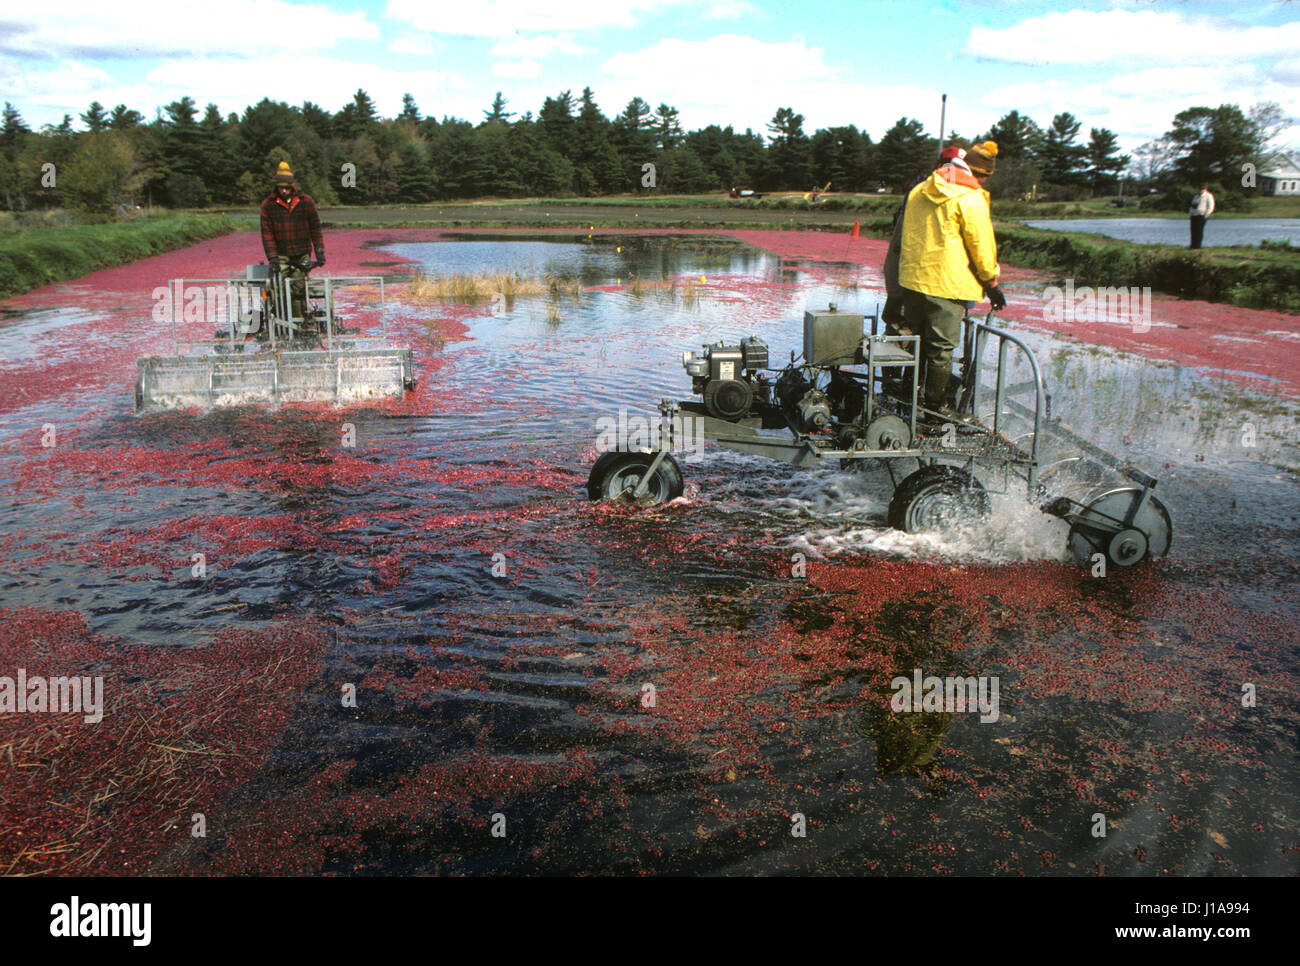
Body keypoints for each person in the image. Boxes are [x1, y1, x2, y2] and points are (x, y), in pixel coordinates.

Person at [897, 140, 1006, 422]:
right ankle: (935, 412)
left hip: (912, 280)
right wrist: (991, 284)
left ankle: (907, 402)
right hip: (947, 285)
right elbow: (981, 248)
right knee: (941, 350)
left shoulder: (920, 190)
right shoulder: (971, 198)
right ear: (980, 173)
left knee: (917, 343)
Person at [260, 161, 325, 323]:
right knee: (276, 288)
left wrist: (320, 253)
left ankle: (298, 321)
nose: (284, 190)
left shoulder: (305, 202)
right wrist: (272, 258)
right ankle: (278, 321)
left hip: (302, 252)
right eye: (281, 187)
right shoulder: (268, 205)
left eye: (287, 187)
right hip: (281, 254)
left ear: (292, 186)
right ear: (277, 186)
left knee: (299, 288)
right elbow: (267, 234)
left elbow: (315, 229)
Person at [1189, 183, 1214, 249]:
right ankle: (1192, 246)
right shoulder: (1196, 196)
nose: (1200, 190)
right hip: (1194, 215)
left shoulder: (1208, 196)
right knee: (1193, 231)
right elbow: (1192, 205)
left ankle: (1197, 246)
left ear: (1205, 189)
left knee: (1199, 231)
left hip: (1201, 215)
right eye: (1199, 189)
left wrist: (1205, 215)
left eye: (1202, 189)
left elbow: (1211, 207)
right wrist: (1191, 213)